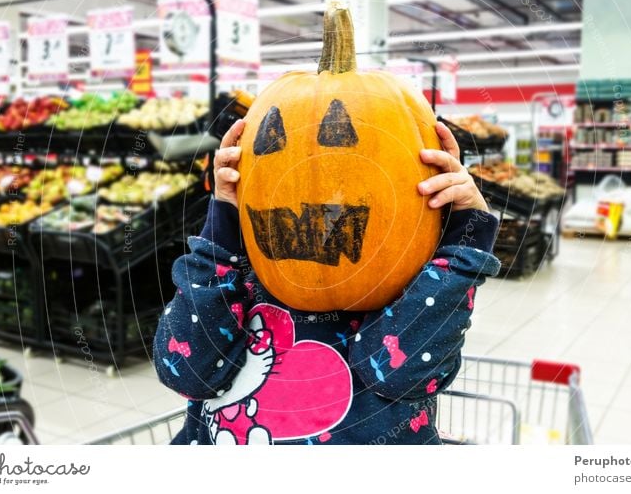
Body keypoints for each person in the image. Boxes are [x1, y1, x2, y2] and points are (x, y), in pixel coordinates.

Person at [153, 118, 500, 445]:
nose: (317, 185)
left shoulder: (406, 283)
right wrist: (224, 220)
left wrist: (466, 230)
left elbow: (401, 373)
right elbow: (185, 371)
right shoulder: (233, 277)